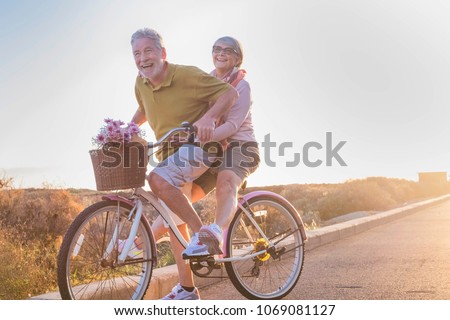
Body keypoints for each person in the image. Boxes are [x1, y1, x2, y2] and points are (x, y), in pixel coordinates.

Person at [129, 28, 238, 300]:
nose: (142, 58)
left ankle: (202, 235)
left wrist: (210, 118)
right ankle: (188, 289)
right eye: (137, 53)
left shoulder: (186, 75)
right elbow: (144, 109)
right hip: (170, 156)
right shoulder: (140, 83)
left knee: (157, 179)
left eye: (148, 51)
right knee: (174, 221)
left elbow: (228, 94)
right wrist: (127, 129)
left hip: (201, 148)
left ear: (163, 53)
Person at [151, 36, 260, 300]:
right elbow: (197, 118)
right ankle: (143, 246)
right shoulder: (208, 80)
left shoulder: (241, 86)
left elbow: (232, 127)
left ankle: (214, 232)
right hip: (211, 151)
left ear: (237, 58)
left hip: (240, 148)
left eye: (228, 50)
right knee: (177, 202)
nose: (221, 54)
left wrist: (200, 137)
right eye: (216, 49)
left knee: (225, 183)